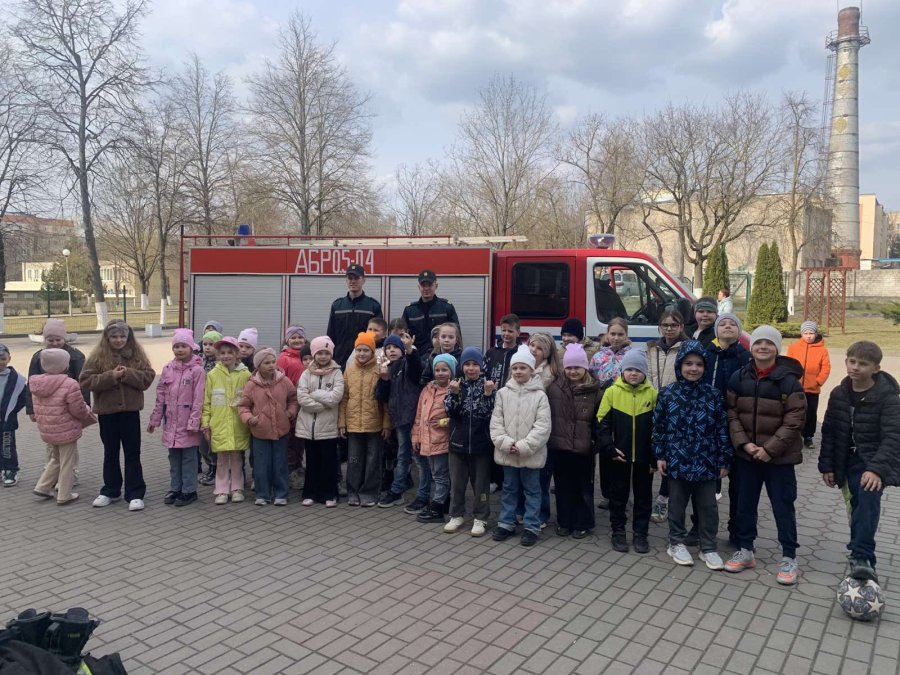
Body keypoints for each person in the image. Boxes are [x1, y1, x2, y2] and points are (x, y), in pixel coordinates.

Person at [724, 326, 806, 584]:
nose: (762, 347)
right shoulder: (739, 376)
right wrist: (744, 444)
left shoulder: (789, 381)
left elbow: (795, 420)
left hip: (778, 459)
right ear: (751, 346)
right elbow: (731, 412)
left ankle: (789, 557)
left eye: (768, 343)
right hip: (747, 456)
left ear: (776, 347)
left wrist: (769, 449)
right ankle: (746, 550)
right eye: (758, 342)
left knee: (783, 505)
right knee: (744, 504)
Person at [819, 341, 900, 584]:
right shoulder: (839, 394)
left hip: (873, 461)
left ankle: (864, 558)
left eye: (862, 364)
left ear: (876, 368)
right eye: (852, 362)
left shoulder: (889, 398)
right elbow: (830, 432)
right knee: (855, 507)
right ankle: (859, 553)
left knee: (867, 498)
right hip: (847, 460)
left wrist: (876, 470)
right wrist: (827, 466)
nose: (855, 368)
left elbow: (893, 437)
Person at [654, 341, 731, 569]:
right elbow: (659, 428)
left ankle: (708, 547)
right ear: (680, 366)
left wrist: (724, 459)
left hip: (706, 460)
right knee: (677, 504)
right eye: (688, 364)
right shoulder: (668, 394)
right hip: (677, 460)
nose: (693, 369)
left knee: (708, 507)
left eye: (698, 364)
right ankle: (676, 542)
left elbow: (722, 429)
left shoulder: (713, 395)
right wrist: (660, 455)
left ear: (705, 368)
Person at [80, 321, 155, 511]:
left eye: (123, 336)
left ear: (128, 337)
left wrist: (128, 374)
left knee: (132, 453)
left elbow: (147, 378)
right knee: (110, 452)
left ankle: (135, 493)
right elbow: (86, 381)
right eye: (114, 336)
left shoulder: (137, 356)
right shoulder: (97, 357)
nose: (119, 340)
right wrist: (110, 376)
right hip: (108, 412)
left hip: (130, 412)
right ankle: (111, 490)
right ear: (107, 338)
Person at [491, 345, 552, 547]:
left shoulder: (540, 396)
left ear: (532, 370)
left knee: (532, 491)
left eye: (523, 368)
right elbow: (496, 423)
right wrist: (507, 444)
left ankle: (531, 525)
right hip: (508, 453)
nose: (518, 371)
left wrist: (524, 446)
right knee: (509, 489)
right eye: (515, 368)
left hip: (530, 455)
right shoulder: (502, 394)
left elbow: (543, 426)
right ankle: (506, 523)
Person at [598, 349, 657, 553]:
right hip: (618, 457)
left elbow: (659, 428)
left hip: (643, 458)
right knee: (618, 496)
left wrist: (654, 457)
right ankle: (618, 532)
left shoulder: (653, 394)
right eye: (629, 369)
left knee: (643, 498)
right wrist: (609, 449)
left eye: (638, 370)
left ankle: (641, 534)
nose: (633, 373)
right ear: (622, 371)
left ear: (644, 373)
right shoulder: (612, 392)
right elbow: (601, 423)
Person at [703, 312, 751, 543]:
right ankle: (701, 527)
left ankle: (737, 530)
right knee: (706, 482)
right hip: (709, 424)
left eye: (733, 323)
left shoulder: (745, 356)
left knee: (739, 484)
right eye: (723, 323)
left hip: (736, 423)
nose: (728, 326)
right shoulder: (705, 353)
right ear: (716, 330)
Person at [550, 344, 603, 539]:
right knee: (563, 487)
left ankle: (583, 522)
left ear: (585, 368)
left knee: (583, 488)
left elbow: (599, 420)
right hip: (561, 447)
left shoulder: (594, 390)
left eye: (577, 367)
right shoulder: (555, 388)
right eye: (569, 367)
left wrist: (594, 442)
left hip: (584, 448)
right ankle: (564, 521)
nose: (573, 371)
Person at [30, 349, 96, 504]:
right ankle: (64, 494)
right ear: (64, 365)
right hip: (66, 429)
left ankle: (43, 486)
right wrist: (86, 411)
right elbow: (77, 408)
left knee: (56, 458)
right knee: (68, 461)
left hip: (47, 429)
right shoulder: (69, 383)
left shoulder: (36, 383)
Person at [147, 329, 206, 507]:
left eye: (183, 346)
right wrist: (155, 420)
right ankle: (175, 487)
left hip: (188, 424)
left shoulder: (197, 371)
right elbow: (160, 397)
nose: (180, 350)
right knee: (174, 459)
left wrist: (194, 422)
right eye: (177, 346)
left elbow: (199, 399)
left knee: (189, 459)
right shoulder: (167, 369)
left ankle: (189, 490)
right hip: (171, 424)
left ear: (191, 347)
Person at [444, 346, 496, 537]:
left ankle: (480, 517)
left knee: (481, 484)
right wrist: (455, 394)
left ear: (481, 366)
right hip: (458, 444)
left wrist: (488, 395)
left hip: (481, 444)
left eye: (475, 364)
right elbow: (451, 412)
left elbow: (489, 414)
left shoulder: (488, 385)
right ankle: (456, 514)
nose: (471, 368)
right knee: (457, 482)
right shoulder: (455, 385)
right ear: (462, 366)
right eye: (467, 364)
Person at [238, 348, 298, 506]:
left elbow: (293, 399)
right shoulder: (251, 385)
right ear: (258, 365)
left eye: (273, 362)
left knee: (280, 463)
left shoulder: (284, 381)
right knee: (261, 464)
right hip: (260, 430)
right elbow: (243, 406)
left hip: (281, 430)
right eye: (266, 363)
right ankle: (262, 494)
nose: (271, 365)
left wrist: (290, 413)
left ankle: (281, 493)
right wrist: (249, 418)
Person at [339, 332, 390, 507]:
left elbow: (385, 400)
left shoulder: (380, 369)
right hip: (353, 424)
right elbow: (344, 397)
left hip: (374, 424)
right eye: (359, 350)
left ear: (373, 351)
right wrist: (341, 422)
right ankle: (353, 491)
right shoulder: (349, 369)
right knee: (353, 460)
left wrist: (386, 424)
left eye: (366, 350)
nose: (361, 353)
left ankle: (369, 493)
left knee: (373, 460)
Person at [201, 336, 251, 505]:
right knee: (221, 459)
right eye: (222, 353)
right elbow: (207, 400)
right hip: (219, 423)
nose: (226, 356)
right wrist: (205, 423)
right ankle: (221, 489)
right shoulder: (213, 375)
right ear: (217, 355)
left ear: (237, 354)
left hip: (238, 423)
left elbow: (250, 399)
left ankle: (237, 488)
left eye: (230, 352)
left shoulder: (245, 375)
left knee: (237, 457)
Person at [296, 336, 344, 507]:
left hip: (328, 427)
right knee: (312, 461)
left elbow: (335, 397)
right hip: (309, 427)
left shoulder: (337, 373)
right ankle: (310, 493)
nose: (323, 356)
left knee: (328, 462)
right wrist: (321, 404)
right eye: (319, 353)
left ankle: (329, 494)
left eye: (326, 353)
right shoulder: (306, 373)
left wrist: (315, 394)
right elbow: (301, 397)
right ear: (314, 354)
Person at [376, 333, 423, 508]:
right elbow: (381, 396)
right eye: (388, 347)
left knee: (418, 458)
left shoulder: (407, 363)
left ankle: (422, 495)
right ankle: (397, 492)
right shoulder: (387, 368)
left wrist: (411, 350)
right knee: (403, 456)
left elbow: (417, 369)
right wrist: (384, 379)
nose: (391, 350)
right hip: (400, 421)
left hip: (414, 418)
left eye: (395, 347)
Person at [411, 354, 456, 524]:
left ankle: (437, 506)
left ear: (451, 371)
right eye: (437, 370)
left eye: (444, 370)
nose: (440, 373)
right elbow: (419, 416)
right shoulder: (427, 390)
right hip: (427, 440)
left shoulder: (454, 390)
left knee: (441, 475)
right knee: (435, 473)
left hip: (442, 440)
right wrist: (416, 437)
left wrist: (444, 422)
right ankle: (442, 501)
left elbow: (457, 416)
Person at [484, 313, 521, 492]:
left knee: (510, 440)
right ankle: (494, 479)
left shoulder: (521, 353)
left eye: (510, 331)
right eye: (504, 330)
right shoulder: (492, 352)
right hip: (493, 404)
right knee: (494, 441)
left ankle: (508, 480)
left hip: (513, 404)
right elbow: (484, 373)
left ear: (518, 332)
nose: (506, 334)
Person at [26, 319, 88, 422]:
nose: (55, 343)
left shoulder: (76, 357)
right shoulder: (38, 357)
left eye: (58, 340)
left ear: (64, 338)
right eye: (50, 340)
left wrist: (85, 408)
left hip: (69, 406)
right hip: (47, 408)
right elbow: (31, 384)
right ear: (45, 340)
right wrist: (30, 409)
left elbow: (83, 383)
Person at [327, 264, 384, 369]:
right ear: (346, 280)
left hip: (364, 362)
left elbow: (378, 337)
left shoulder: (373, 306)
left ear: (363, 280)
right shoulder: (337, 305)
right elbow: (331, 335)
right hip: (340, 361)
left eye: (357, 278)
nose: (353, 281)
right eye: (350, 278)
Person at [786, 320, 831, 448]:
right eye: (806, 333)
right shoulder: (793, 347)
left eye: (811, 333)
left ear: (816, 334)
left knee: (811, 413)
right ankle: (794, 435)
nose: (809, 336)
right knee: (795, 412)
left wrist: (818, 381)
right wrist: (791, 381)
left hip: (813, 389)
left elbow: (826, 368)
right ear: (801, 334)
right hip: (796, 388)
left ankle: (808, 436)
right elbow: (789, 365)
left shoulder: (822, 350)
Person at [401, 270, 460, 357]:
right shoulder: (409, 310)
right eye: (423, 285)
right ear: (419, 287)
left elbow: (457, 335)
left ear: (436, 286)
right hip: (417, 357)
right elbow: (403, 336)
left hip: (442, 357)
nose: (426, 288)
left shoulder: (447, 308)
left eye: (429, 285)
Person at [277, 326, 307, 490]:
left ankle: (298, 465)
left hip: (304, 405)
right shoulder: (283, 358)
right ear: (287, 340)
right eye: (293, 337)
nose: (297, 340)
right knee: (289, 439)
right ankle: (290, 470)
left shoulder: (307, 356)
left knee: (299, 439)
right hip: (290, 404)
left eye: (300, 337)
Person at [198, 330, 223, 486]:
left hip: (217, 407)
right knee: (204, 442)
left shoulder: (221, 365)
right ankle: (210, 466)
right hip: (202, 406)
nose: (207, 348)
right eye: (205, 344)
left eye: (211, 345)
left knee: (214, 440)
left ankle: (217, 469)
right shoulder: (199, 362)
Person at [0, 345, 26, 487]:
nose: (0, 362)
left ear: (9, 358)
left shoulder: (17, 380)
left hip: (6, 420)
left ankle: (11, 470)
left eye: (3, 359)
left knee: (7, 445)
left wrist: (11, 410)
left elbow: (23, 397)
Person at [589, 318, 632, 386]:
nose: (616, 338)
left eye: (620, 334)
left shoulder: (632, 356)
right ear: (607, 334)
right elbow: (590, 379)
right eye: (613, 334)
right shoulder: (598, 356)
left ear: (626, 335)